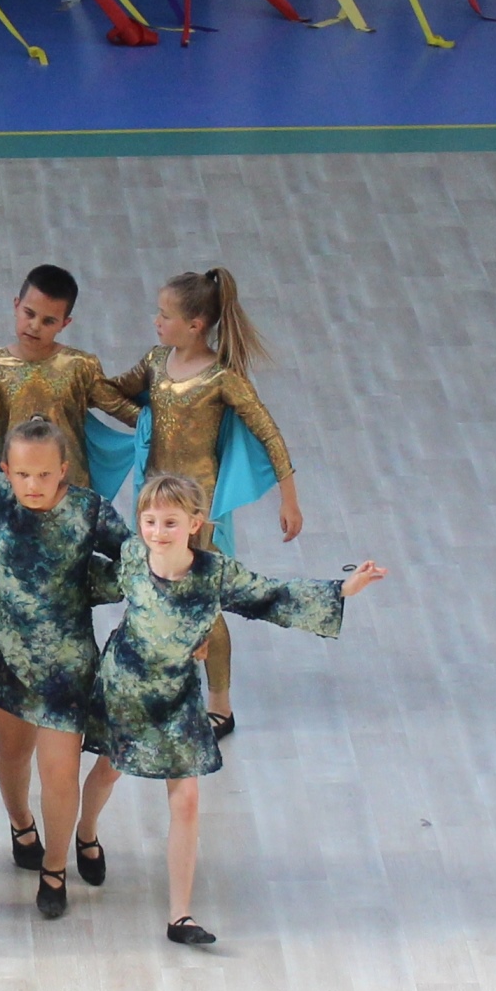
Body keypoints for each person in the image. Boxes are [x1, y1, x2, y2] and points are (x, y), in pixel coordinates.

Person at [89, 474, 384, 945]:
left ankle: (180, 915)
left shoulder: (215, 574)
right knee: (108, 770)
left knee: (187, 799)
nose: (158, 531)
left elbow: (271, 596)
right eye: (150, 521)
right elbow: (86, 580)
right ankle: (86, 833)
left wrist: (343, 590)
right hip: (126, 688)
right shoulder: (130, 558)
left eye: (170, 522)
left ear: (195, 523)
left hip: (179, 696)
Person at [116, 265, 301, 737]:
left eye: (165, 315)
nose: (157, 321)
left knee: (204, 604)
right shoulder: (156, 361)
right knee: (150, 597)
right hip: (153, 507)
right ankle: (158, 692)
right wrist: (74, 377)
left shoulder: (221, 378)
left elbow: (268, 432)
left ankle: (220, 703)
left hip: (200, 514)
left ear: (195, 325)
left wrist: (289, 499)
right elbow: (114, 391)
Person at [0, 416, 131, 918]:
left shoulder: (88, 511)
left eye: (44, 474)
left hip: (65, 666)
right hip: (3, 655)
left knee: (60, 772)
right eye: (22, 474)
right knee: (12, 753)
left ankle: (55, 866)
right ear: (6, 470)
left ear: (63, 469)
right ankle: (21, 825)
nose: (33, 484)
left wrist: (94, 585)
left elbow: (137, 564)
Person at [0, 265, 136, 494]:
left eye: (48, 321)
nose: (35, 326)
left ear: (64, 323)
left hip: (70, 492)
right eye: (29, 313)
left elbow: (118, 405)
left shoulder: (80, 366)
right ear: (16, 306)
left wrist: (160, 422)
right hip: (13, 492)